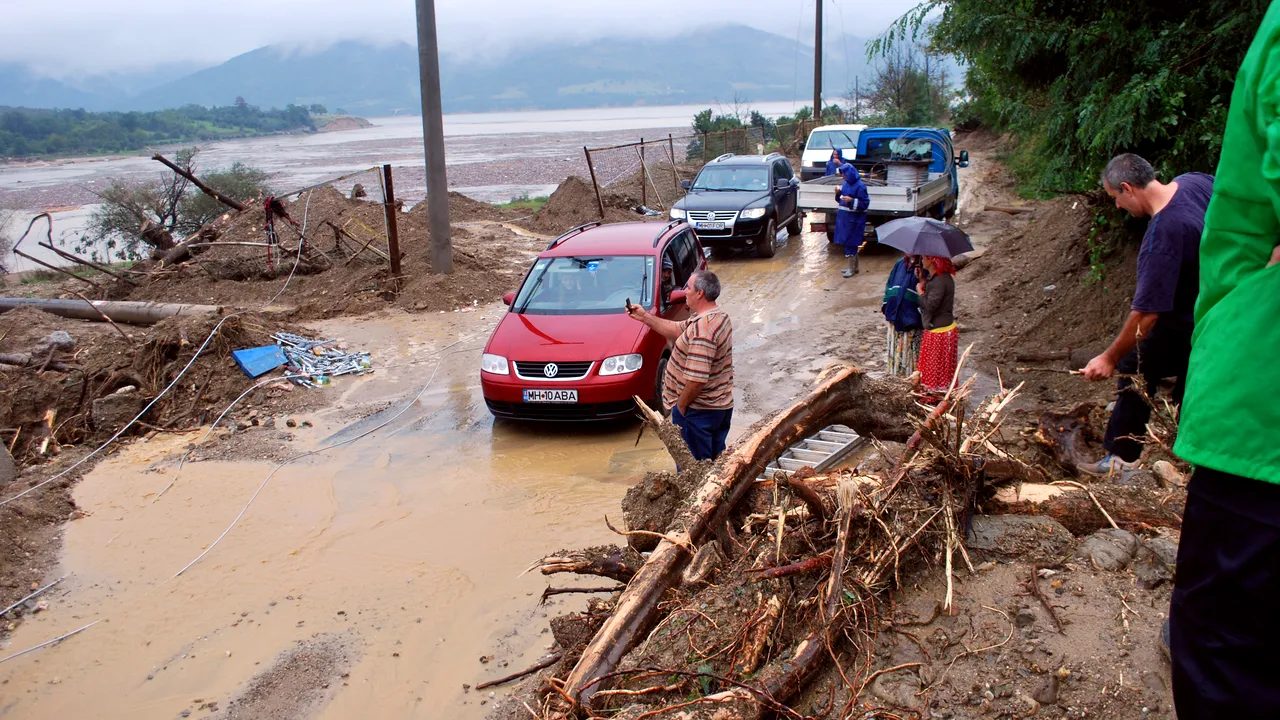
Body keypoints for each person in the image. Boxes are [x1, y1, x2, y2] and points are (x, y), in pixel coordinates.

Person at [1165, 7, 1280, 716]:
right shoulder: (1194, 197)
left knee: (1224, 662)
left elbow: (1149, 314)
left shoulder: (1162, 235)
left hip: (1259, 425)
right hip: (1245, 403)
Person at [1080, 154, 1213, 475]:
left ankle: (1121, 456)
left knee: (1134, 368)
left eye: (1116, 198)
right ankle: (1195, 453)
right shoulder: (1196, 182)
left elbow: (1146, 316)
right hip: (1213, 312)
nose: (1117, 207)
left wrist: (1109, 358)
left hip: (1182, 321)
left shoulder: (1162, 236)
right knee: (1190, 382)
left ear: (1128, 188)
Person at [626, 271, 734, 461]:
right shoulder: (717, 317)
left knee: (694, 472)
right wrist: (644, 317)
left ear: (699, 293)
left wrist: (680, 407)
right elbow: (676, 329)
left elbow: (697, 380)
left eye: (688, 287)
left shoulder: (703, 331)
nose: (684, 291)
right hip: (717, 407)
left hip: (699, 413)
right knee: (716, 467)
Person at [916, 255, 957, 394]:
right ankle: (937, 395)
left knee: (934, 369)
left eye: (924, 258)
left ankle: (934, 397)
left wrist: (920, 291)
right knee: (937, 370)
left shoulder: (940, 280)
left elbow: (930, 305)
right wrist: (922, 280)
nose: (922, 260)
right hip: (938, 328)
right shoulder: (937, 277)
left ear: (933, 261)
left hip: (940, 332)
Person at [882, 254, 923, 377]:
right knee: (895, 353)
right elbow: (889, 286)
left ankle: (910, 381)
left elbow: (926, 296)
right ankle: (895, 378)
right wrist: (886, 305)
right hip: (894, 316)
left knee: (910, 356)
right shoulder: (900, 264)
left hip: (912, 321)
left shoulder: (923, 267)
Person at [834, 163, 870, 277]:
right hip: (844, 219)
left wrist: (851, 200)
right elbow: (841, 200)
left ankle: (852, 268)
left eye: (844, 174)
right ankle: (854, 267)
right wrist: (838, 194)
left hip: (854, 220)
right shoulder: (846, 184)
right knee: (847, 242)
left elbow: (865, 203)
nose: (843, 176)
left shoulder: (860, 186)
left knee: (851, 243)